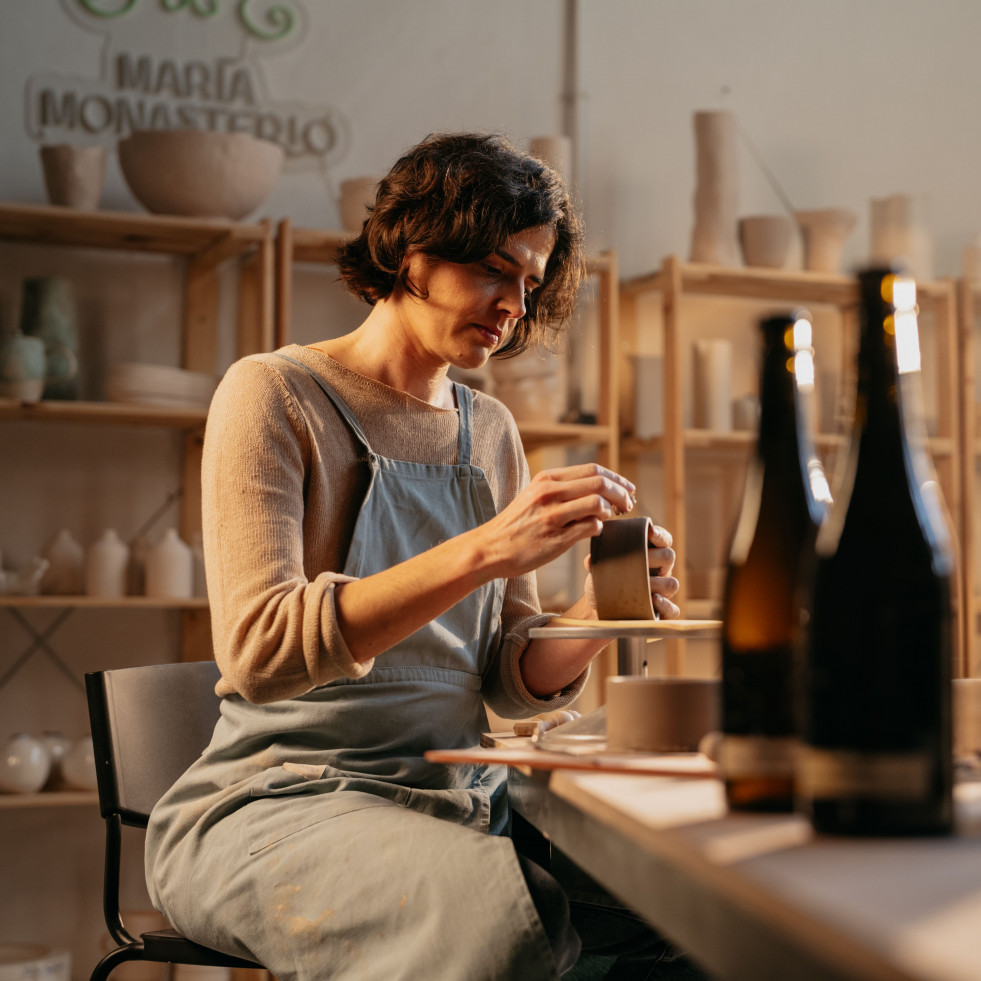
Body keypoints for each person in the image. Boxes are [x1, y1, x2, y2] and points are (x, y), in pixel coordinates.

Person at [145, 133, 700, 980]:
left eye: (530, 281)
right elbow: (257, 653)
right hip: (281, 798)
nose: (514, 302)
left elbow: (508, 680)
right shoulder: (275, 394)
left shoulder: (491, 430)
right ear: (411, 253)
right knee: (495, 914)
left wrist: (598, 616)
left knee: (688, 901)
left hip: (458, 793)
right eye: (493, 267)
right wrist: (483, 549)